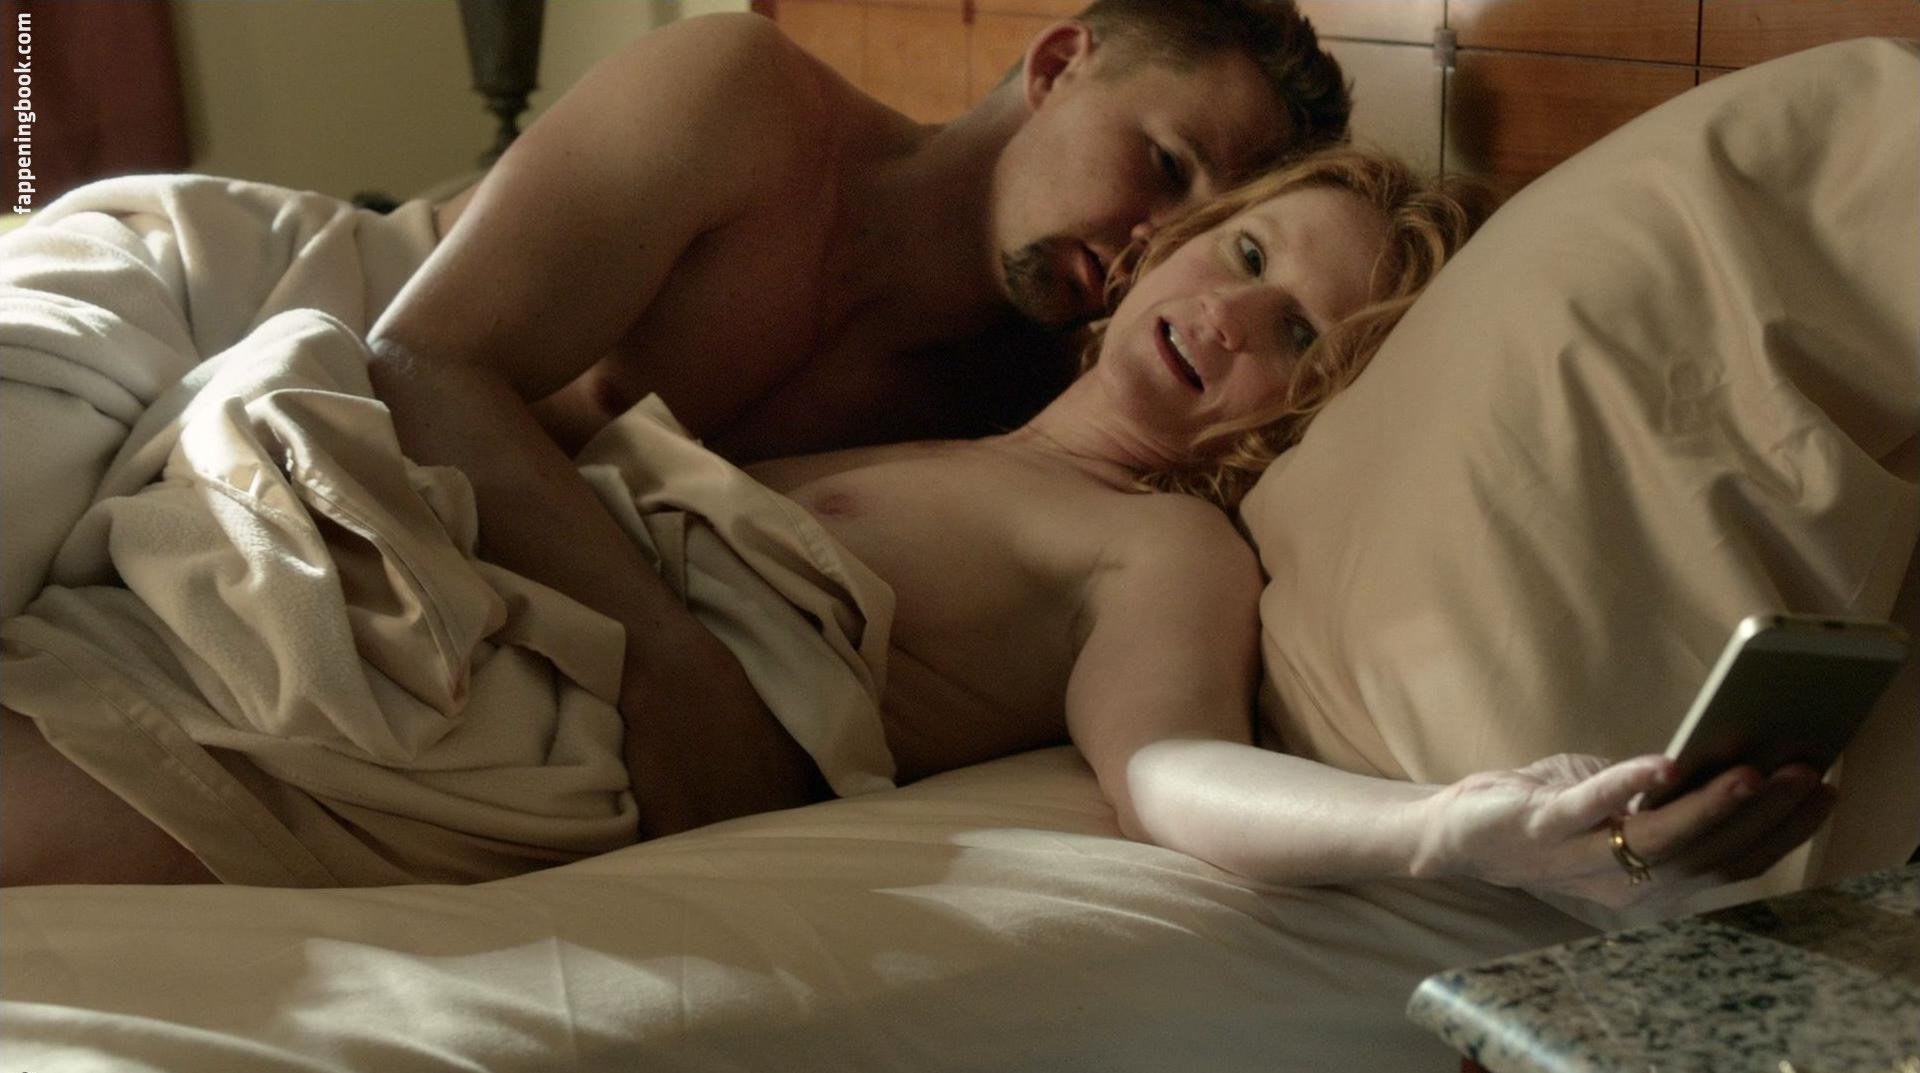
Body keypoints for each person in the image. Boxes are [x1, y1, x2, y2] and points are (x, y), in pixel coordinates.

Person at [2, 148, 1832, 910]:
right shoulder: (955, 419)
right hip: (440, 562)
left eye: (1299, 338)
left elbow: (1170, 769)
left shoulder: (1158, 550)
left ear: (1300, 414)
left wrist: (1453, 825)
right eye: (1245, 251)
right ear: (1163, 248)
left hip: (489, 696)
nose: (1234, 315)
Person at [366, 1, 1351, 836]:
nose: (1155, 247)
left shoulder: (1033, 407)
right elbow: (419, 361)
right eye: (1166, 165)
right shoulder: (741, 98)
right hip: (377, 313)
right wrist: (666, 661)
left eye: (1205, 226)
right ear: (1058, 65)